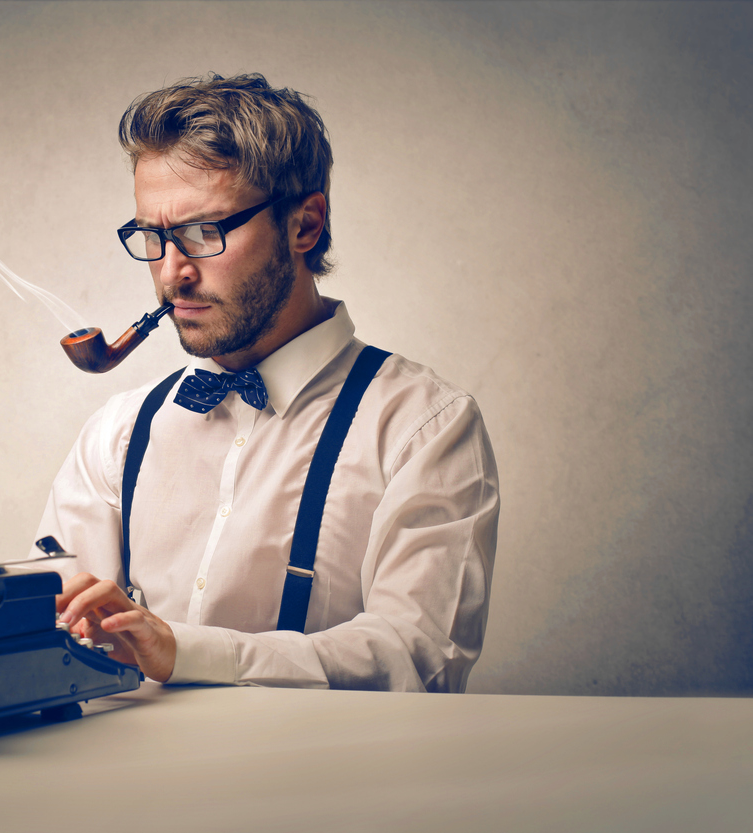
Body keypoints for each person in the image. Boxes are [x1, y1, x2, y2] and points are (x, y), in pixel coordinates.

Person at [33, 73, 499, 692]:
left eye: (204, 232)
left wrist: (183, 651)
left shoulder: (423, 426)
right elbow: (54, 641)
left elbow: (417, 657)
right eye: (154, 236)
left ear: (304, 225)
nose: (173, 274)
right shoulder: (117, 434)